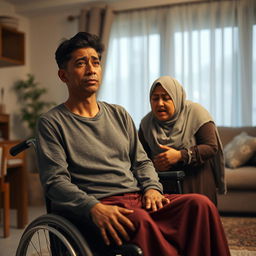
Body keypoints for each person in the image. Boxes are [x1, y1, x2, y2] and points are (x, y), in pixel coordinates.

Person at [36, 32, 230, 256]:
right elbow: (55, 182)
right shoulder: (51, 122)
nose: (91, 69)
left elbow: (142, 161)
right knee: (140, 221)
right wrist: (93, 208)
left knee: (200, 205)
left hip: (137, 198)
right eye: (81, 63)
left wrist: (152, 188)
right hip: (99, 205)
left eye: (95, 62)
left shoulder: (119, 114)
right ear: (63, 75)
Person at [139, 76, 226, 205]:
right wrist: (154, 165)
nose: (160, 103)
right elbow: (139, 157)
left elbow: (211, 147)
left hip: (196, 179)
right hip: (163, 185)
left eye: (166, 98)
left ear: (177, 98)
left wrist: (180, 155)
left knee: (197, 219)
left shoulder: (196, 113)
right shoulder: (146, 123)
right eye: (155, 98)